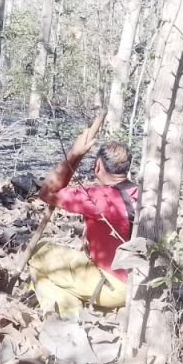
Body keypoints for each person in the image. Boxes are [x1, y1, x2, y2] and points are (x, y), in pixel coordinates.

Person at [30, 122, 138, 316]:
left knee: (39, 252)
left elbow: (47, 191)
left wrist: (75, 153)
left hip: (114, 287)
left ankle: (66, 316)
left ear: (97, 166)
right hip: (139, 284)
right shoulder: (142, 192)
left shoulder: (99, 197)